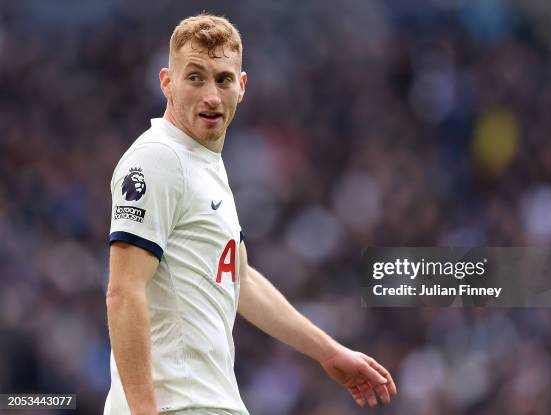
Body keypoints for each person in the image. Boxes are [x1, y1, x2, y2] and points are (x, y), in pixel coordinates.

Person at [104, 12, 397, 415]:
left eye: (223, 79)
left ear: (241, 87)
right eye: (195, 77)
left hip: (210, 402)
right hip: (177, 405)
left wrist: (327, 351)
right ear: (166, 82)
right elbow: (123, 292)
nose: (211, 94)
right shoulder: (157, 159)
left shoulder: (202, 163)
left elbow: (240, 277)